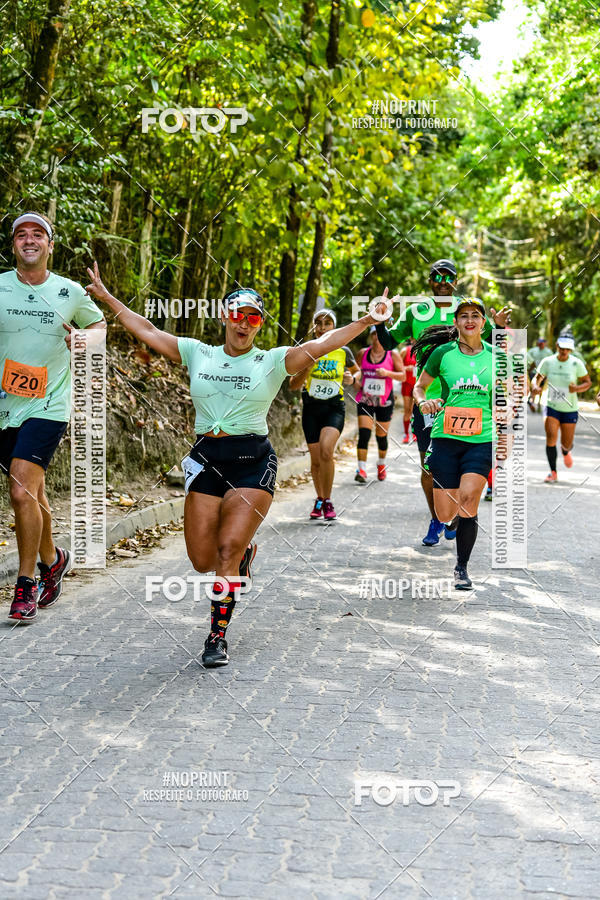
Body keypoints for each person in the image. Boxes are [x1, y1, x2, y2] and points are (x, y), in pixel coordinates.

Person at [84, 265, 377, 667]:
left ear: (259, 323)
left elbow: (325, 342)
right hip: (206, 460)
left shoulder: (273, 360)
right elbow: (149, 331)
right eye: (237, 314)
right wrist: (105, 297)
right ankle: (241, 560)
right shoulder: (196, 352)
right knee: (203, 560)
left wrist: (366, 319)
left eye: (252, 317)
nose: (243, 323)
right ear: (225, 316)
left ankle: (216, 636)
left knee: (225, 549)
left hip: (252, 462)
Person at [1, 213, 106, 624]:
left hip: (48, 403)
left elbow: (98, 325)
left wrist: (85, 338)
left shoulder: (69, 290)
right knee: (32, 494)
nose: (29, 240)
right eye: (21, 235)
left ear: (50, 244)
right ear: (13, 245)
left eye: (37, 234)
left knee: (20, 490)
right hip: (5, 405)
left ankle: (25, 583)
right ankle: (52, 558)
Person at [375, 260, 511, 546]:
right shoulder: (416, 311)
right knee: (429, 466)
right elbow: (388, 343)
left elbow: (491, 351)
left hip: (466, 402)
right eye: (437, 276)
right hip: (426, 401)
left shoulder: (468, 311)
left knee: (465, 466)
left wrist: (499, 329)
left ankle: (459, 514)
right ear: (429, 280)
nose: (442, 280)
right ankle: (438, 517)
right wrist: (378, 320)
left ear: (456, 280)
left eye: (448, 275)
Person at [413, 299, 498, 590]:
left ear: (484, 323)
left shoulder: (496, 357)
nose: (470, 320)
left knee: (470, 499)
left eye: (476, 315)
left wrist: (506, 436)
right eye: (464, 316)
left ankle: (461, 568)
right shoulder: (442, 353)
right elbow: (419, 386)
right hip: (445, 437)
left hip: (481, 438)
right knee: (446, 513)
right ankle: (449, 522)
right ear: (457, 323)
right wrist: (424, 401)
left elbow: (504, 400)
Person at [289, 309, 359, 520]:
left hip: (333, 408)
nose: (322, 327)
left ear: (333, 327)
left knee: (327, 450)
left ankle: (327, 500)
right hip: (311, 409)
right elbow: (293, 385)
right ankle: (319, 498)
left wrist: (352, 379)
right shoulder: (304, 350)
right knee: (316, 458)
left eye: (327, 323)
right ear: (313, 327)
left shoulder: (343, 350)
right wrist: (307, 368)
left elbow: (358, 371)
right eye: (318, 323)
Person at [531, 334, 591, 483]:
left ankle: (565, 451)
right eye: (562, 348)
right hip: (551, 405)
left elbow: (587, 382)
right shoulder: (548, 362)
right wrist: (535, 386)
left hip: (570, 408)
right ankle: (553, 472)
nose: (564, 351)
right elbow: (536, 378)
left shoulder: (576, 364)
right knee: (551, 437)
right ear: (557, 346)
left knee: (566, 442)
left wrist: (576, 388)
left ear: (571, 350)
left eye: (567, 349)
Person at [354, 325, 405, 483]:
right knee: (364, 434)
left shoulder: (392, 354)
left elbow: (403, 376)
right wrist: (356, 382)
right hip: (366, 399)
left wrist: (387, 373)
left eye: (380, 334)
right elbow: (356, 371)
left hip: (385, 401)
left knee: (381, 436)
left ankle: (381, 465)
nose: (377, 337)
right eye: (374, 334)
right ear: (370, 336)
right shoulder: (363, 353)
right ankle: (361, 469)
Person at [399, 339, 417, 443]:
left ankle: (415, 433)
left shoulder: (422, 351)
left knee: (415, 411)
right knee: (407, 410)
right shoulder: (405, 351)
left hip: (417, 385)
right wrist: (406, 368)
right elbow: (397, 367)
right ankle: (406, 434)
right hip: (406, 384)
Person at [527, 337, 551, 412]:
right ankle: (532, 403)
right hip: (533, 372)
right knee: (533, 387)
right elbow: (528, 360)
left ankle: (539, 403)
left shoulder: (548, 352)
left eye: (542, 342)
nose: (541, 344)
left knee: (540, 388)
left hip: (543, 374)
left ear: (545, 343)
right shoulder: (533, 350)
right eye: (540, 342)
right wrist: (528, 369)